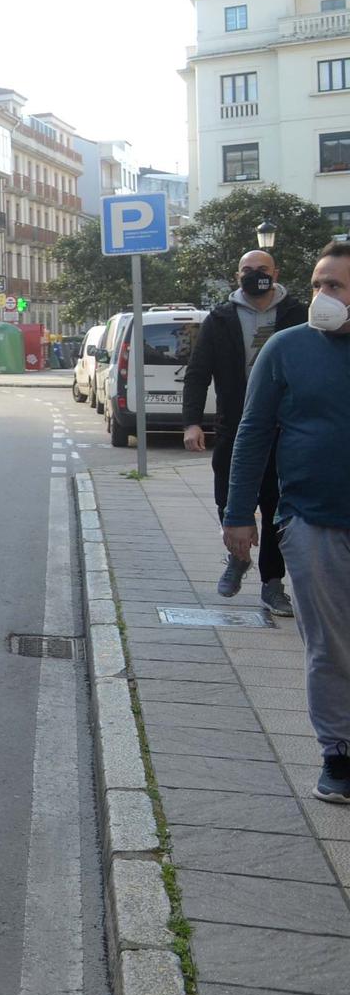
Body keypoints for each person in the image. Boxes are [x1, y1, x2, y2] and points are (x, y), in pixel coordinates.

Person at [221, 241, 350, 803]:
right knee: (330, 646)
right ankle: (338, 754)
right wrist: (237, 513)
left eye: (337, 286)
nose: (323, 296)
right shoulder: (285, 348)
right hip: (311, 520)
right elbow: (252, 434)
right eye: (319, 284)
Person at [184, 248, 308, 616]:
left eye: (262, 269)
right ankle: (236, 558)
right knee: (229, 501)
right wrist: (192, 422)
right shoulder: (220, 318)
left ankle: (272, 584)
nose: (255, 275)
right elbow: (197, 372)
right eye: (247, 270)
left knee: (275, 509)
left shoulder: (298, 315)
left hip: (286, 431)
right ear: (237, 275)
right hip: (234, 427)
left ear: (276, 272)